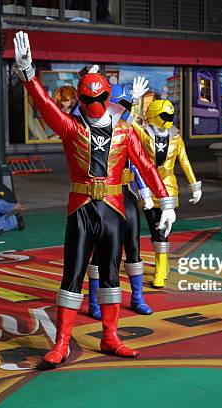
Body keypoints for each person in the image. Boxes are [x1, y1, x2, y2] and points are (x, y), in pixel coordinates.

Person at [13, 31, 176, 367]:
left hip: (114, 208)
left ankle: (110, 335)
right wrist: (28, 73)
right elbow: (44, 105)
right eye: (88, 101)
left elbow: (145, 164)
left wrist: (166, 201)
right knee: (72, 274)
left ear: (107, 96)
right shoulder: (72, 127)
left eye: (98, 99)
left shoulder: (125, 130)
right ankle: (61, 342)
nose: (93, 106)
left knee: (111, 274)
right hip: (82, 209)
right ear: (82, 101)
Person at [87, 77, 156, 319]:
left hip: (126, 193)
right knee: (100, 250)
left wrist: (145, 190)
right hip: (103, 196)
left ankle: (137, 297)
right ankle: (94, 301)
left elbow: (138, 163)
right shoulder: (92, 132)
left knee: (134, 246)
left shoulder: (126, 131)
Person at [132, 99, 202, 288]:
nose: (168, 119)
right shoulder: (143, 132)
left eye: (170, 116)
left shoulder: (176, 136)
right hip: (148, 185)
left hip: (168, 186)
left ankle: (161, 268)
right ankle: (162, 262)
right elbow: (127, 119)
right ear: (153, 116)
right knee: (155, 228)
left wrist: (195, 186)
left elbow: (184, 161)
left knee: (161, 227)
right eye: (164, 116)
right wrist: (133, 97)